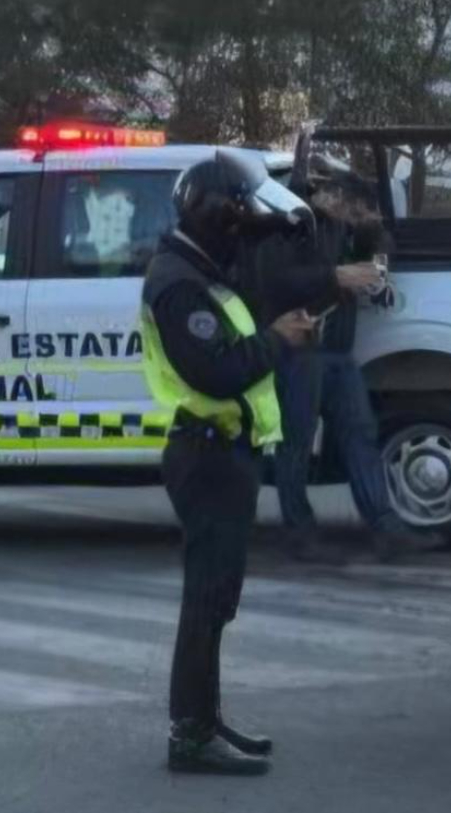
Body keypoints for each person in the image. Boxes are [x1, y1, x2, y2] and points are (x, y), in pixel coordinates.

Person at [141, 152, 317, 775]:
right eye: (237, 214)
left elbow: (258, 257)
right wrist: (278, 340)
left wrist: (286, 211)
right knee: (205, 600)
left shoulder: (202, 267)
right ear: (216, 217)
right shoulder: (180, 284)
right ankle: (189, 735)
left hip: (224, 454)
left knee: (216, 602)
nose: (245, 224)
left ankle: (206, 721)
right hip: (207, 456)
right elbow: (215, 372)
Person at [252, 179, 443, 562]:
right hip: (300, 349)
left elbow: (380, 237)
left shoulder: (342, 225)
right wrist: (336, 277)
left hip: (336, 350)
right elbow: (272, 280)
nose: (361, 218)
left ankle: (386, 527)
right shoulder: (290, 226)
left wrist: (376, 262)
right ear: (329, 197)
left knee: (360, 435)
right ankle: (299, 531)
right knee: (297, 443)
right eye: (356, 210)